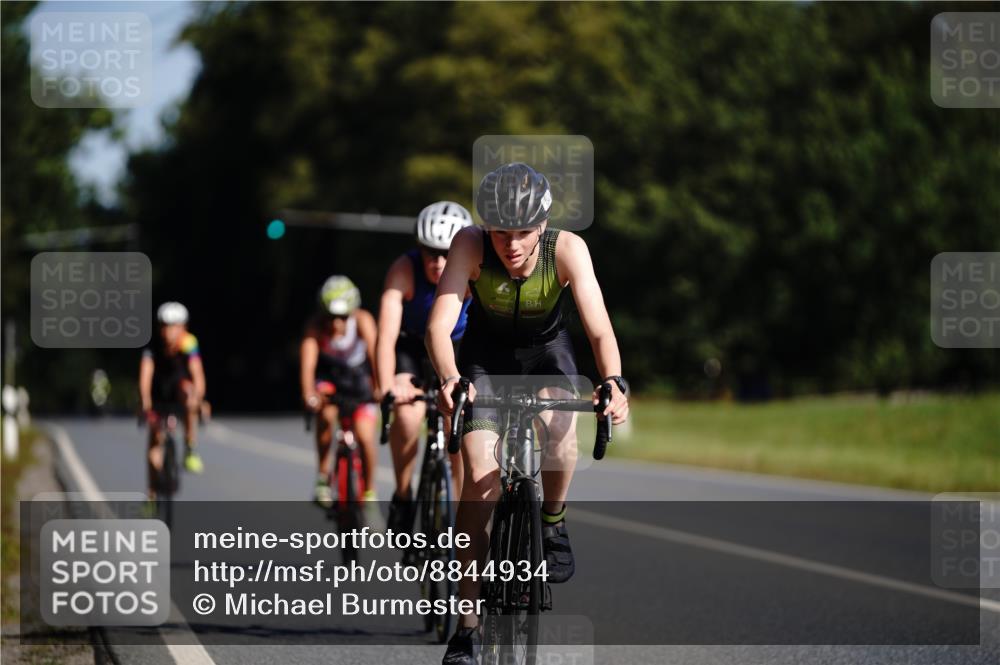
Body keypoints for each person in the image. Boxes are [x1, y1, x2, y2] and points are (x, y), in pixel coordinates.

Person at [426, 163, 630, 664]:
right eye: (500, 232)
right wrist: (450, 379)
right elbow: (439, 326)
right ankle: (467, 627)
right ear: (485, 227)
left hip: (547, 354)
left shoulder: (567, 249)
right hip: (485, 359)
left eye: (522, 232)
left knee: (562, 428)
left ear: (542, 224)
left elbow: (599, 329)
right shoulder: (469, 244)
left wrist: (613, 381)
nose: (511, 245)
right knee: (480, 480)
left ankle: (553, 522)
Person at [375, 201, 473, 534]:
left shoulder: (474, 271)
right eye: (430, 252)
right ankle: (403, 495)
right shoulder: (404, 269)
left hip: (457, 349)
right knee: (406, 415)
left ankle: (460, 514)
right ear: (419, 248)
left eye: (447, 254)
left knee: (460, 426)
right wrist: (387, 385)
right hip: (413, 348)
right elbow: (386, 337)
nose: (439, 262)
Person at [301, 275, 379, 508]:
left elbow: (376, 356)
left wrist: (380, 388)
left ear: (352, 312)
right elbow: (308, 366)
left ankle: (369, 492)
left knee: (365, 436)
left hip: (359, 379)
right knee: (325, 416)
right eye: (330, 317)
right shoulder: (315, 328)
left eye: (343, 317)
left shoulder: (363, 321)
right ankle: (323, 477)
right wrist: (309, 394)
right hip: (330, 379)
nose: (336, 324)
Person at [139, 302, 207, 501]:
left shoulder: (189, 343)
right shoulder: (152, 346)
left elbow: (197, 374)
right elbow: (145, 376)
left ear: (184, 327)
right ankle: (151, 496)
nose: (170, 332)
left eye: (176, 326)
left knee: (189, 392)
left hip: (178, 388)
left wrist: (199, 399)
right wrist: (145, 403)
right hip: (157, 392)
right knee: (154, 445)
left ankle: (189, 447)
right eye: (166, 326)